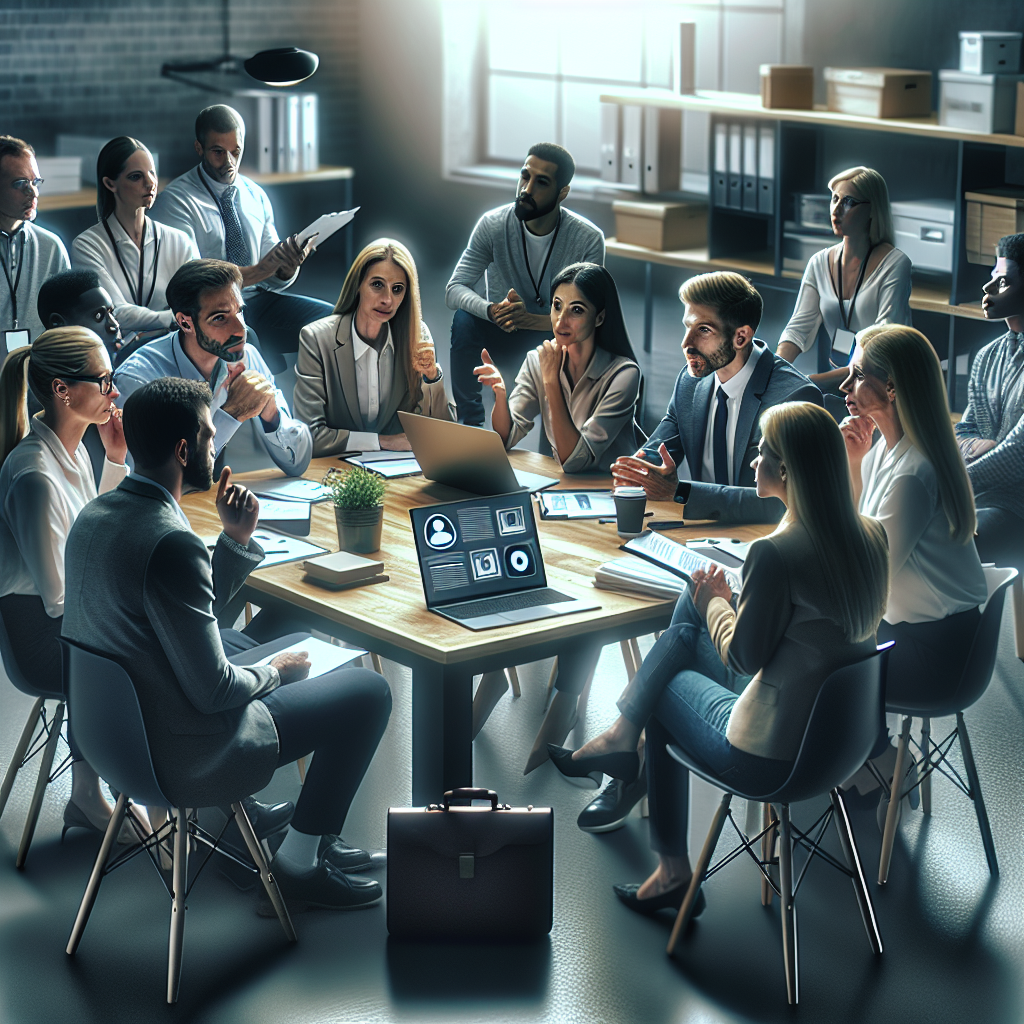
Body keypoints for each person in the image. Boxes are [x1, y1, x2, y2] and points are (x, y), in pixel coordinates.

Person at [61, 376, 393, 911]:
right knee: (368, 693)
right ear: (183, 449)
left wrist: (234, 542)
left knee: (240, 639)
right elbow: (214, 690)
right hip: (182, 750)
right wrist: (278, 671)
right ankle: (298, 863)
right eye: (211, 435)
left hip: (114, 738)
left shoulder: (95, 516)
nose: (216, 446)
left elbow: (185, 628)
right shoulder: (170, 542)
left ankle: (277, 829)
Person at [550, 401, 889, 915]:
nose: (754, 462)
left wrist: (717, 603)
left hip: (770, 755)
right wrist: (712, 600)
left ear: (788, 471)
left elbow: (745, 657)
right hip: (841, 743)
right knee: (690, 620)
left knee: (668, 682)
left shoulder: (776, 553)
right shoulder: (870, 535)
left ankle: (669, 867)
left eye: (762, 454)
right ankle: (621, 740)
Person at [0, 326, 139, 840]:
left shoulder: (76, 450)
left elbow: (93, 534)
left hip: (68, 622)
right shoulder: (33, 476)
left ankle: (101, 789)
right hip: (39, 636)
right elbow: (58, 598)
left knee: (151, 640)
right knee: (146, 654)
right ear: (62, 389)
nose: (114, 392)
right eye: (104, 380)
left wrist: (117, 460)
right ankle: (93, 793)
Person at [839, 325, 987, 717]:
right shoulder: (884, 454)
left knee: (808, 658)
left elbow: (868, 578)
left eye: (857, 376)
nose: (845, 387)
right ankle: (872, 767)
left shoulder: (914, 475)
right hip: (909, 631)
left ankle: (869, 769)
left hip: (936, 655)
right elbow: (858, 538)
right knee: (810, 644)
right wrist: (854, 464)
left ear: (891, 387)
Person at [611, 271, 822, 525]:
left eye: (703, 330)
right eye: (687, 327)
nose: (686, 343)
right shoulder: (690, 381)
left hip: (762, 541)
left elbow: (784, 502)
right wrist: (636, 473)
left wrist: (679, 491)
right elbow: (657, 453)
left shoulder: (793, 397)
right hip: (702, 534)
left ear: (740, 337)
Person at [151, 104, 332, 372]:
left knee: (335, 320)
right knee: (252, 344)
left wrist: (287, 268)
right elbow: (192, 285)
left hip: (257, 300)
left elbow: (273, 278)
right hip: (213, 312)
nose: (229, 162)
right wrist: (261, 269)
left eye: (236, 152)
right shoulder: (176, 201)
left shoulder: (255, 194)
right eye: (217, 152)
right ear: (199, 148)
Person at [445, 142, 604, 425]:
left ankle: (561, 437)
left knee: (584, 338)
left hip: (555, 339)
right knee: (464, 320)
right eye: (525, 176)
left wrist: (531, 320)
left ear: (562, 192)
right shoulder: (492, 224)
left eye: (541, 182)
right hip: (500, 329)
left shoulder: (588, 239)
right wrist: (491, 310)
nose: (526, 190)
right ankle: (470, 424)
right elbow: (454, 289)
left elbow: (587, 318)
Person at [113, 259, 312, 477]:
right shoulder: (138, 381)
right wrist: (231, 414)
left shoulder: (248, 357)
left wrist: (272, 415)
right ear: (185, 323)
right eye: (220, 318)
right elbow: (155, 482)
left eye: (239, 312)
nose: (241, 330)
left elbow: (298, 462)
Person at [475, 262, 641, 473]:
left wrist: (551, 381)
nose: (561, 321)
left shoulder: (625, 374)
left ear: (599, 317)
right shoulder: (538, 359)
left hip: (613, 489)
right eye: (557, 306)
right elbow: (506, 438)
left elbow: (575, 461)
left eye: (577, 310)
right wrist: (500, 394)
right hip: (563, 486)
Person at [292, 238, 452, 456]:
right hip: (334, 472)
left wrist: (432, 377)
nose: (387, 299)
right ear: (358, 284)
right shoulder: (316, 339)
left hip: (400, 471)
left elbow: (443, 433)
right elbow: (308, 436)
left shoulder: (416, 334)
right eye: (377, 285)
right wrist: (382, 442)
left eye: (397, 289)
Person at [776, 166, 912, 393]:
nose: (836, 209)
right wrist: (776, 369)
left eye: (848, 202)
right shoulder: (819, 262)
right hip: (839, 383)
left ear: (872, 209)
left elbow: (882, 345)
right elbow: (798, 329)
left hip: (884, 387)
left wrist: (811, 382)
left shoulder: (895, 264)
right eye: (835, 199)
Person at [71, 137, 200, 353]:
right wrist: (170, 318)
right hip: (119, 354)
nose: (150, 183)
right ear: (110, 184)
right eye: (136, 177)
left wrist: (148, 329)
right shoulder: (87, 245)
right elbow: (115, 312)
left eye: (152, 173)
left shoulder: (179, 240)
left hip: (177, 347)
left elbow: (199, 301)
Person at [954, 233, 1024, 573]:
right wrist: (977, 446)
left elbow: (1017, 454)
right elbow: (964, 429)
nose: (987, 288)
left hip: (1017, 506)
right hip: (979, 494)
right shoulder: (987, 356)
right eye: (991, 277)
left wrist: (954, 479)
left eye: (1004, 282)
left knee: (954, 546)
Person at [0, 136, 71, 345]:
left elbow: (67, 323)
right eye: (20, 183)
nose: (33, 192)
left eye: (35, 182)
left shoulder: (51, 247)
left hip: (40, 370)